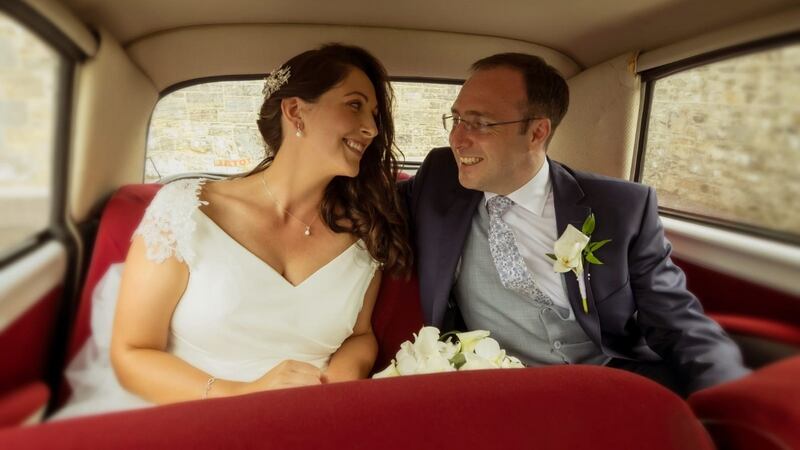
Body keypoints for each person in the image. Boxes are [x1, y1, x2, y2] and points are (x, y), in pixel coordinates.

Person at [52, 44, 412, 419]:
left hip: (311, 420)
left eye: (374, 115)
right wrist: (240, 394)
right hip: (186, 416)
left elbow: (360, 335)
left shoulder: (366, 229)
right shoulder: (185, 210)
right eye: (354, 105)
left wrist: (340, 379)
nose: (372, 128)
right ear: (295, 111)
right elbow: (132, 353)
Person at [400, 53, 749, 396]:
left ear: (537, 132)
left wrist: (734, 399)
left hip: (612, 381)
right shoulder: (439, 178)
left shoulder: (621, 207)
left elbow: (677, 321)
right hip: (501, 390)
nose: (457, 139)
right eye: (456, 119)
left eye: (479, 123)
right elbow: (371, 201)